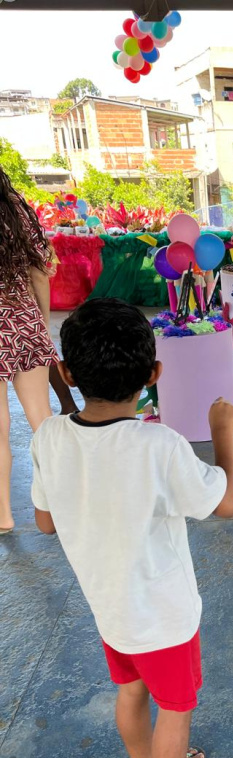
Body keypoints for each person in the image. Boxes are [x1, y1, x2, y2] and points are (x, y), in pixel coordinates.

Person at [30, 298, 233, 758]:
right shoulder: (159, 445)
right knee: (176, 709)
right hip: (164, 617)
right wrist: (223, 433)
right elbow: (225, 503)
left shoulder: (48, 436)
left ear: (67, 373)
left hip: (110, 609)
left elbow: (45, 522)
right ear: (154, 375)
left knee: (130, 691)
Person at [0, 168, 59, 534]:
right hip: (23, 321)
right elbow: (40, 273)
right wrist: (43, 325)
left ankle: (3, 515)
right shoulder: (15, 208)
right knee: (43, 421)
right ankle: (61, 504)